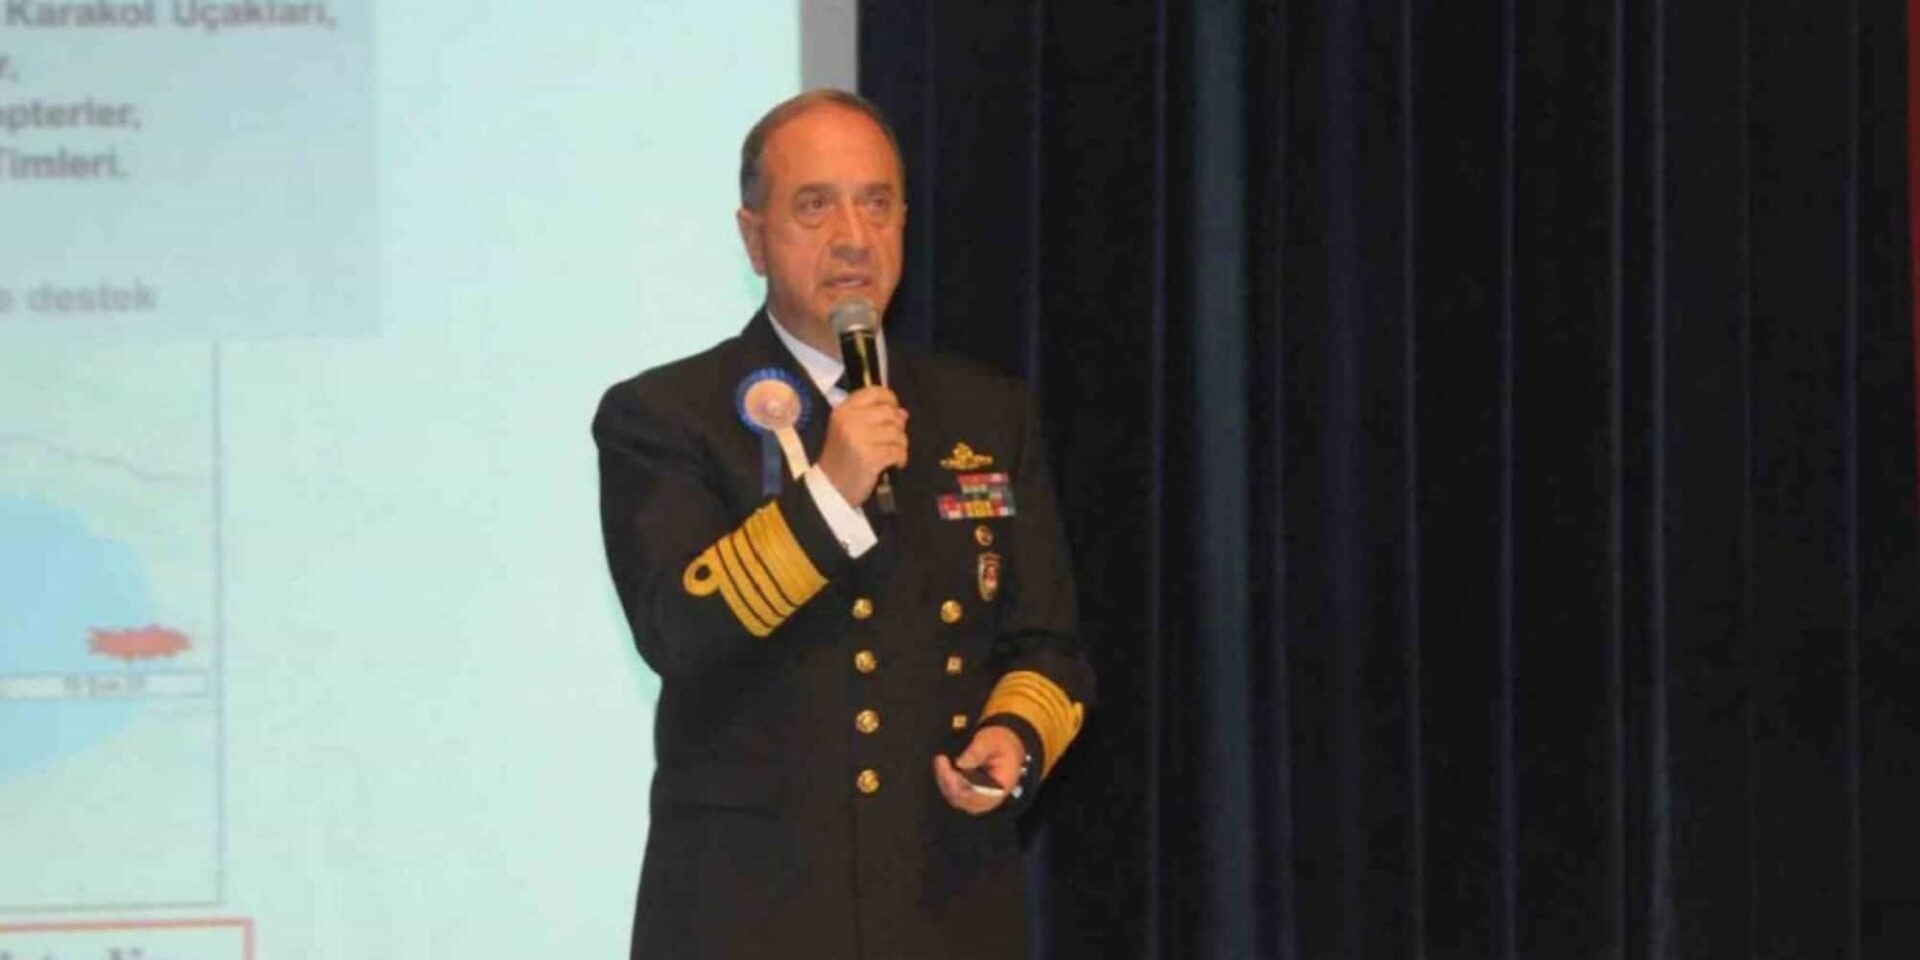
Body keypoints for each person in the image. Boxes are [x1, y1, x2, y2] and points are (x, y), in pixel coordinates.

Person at [593, 88, 1095, 959]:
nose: (853, 237)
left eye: (876, 203)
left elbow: (1048, 643)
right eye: (814, 206)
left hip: (947, 905)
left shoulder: (987, 413)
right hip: (746, 916)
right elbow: (676, 628)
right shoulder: (665, 415)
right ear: (753, 237)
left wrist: (1012, 737)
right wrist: (831, 490)